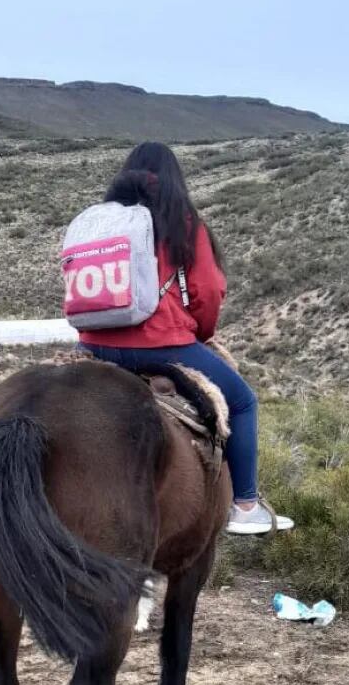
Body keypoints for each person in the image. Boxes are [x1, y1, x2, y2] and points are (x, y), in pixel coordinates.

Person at [78, 141, 293, 536]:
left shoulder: (100, 224)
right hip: (161, 342)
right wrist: (200, 334)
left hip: (91, 343)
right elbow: (208, 292)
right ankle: (245, 504)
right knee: (244, 401)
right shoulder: (183, 223)